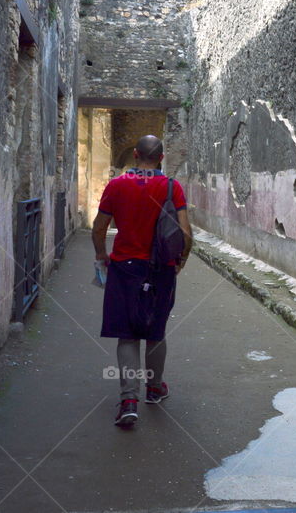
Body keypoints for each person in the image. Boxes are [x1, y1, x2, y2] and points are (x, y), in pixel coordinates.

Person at [91, 135, 192, 427]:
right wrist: (180, 263)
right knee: (155, 330)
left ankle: (128, 401)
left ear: (135, 155)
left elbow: (99, 228)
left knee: (128, 333)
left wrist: (101, 256)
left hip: (125, 267)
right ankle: (155, 389)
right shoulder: (173, 188)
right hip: (161, 268)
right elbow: (185, 233)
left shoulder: (116, 185)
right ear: (161, 158)